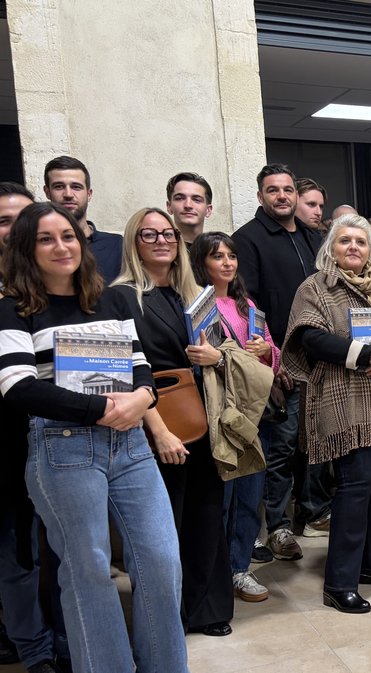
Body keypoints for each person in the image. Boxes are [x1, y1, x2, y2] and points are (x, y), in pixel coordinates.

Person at [0, 202, 188, 672]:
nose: (61, 246)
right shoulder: (12, 308)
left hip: (130, 446)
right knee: (89, 575)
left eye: (67, 235)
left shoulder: (113, 299)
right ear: (26, 248)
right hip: (63, 449)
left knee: (161, 564)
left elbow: (141, 366)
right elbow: (17, 386)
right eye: (45, 239)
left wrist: (143, 398)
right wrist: (104, 408)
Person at [281, 214, 371, 612]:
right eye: (345, 241)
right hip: (344, 400)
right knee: (356, 486)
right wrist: (369, 356)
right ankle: (340, 581)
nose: (355, 248)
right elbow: (310, 338)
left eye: (361, 242)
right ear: (331, 248)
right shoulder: (316, 287)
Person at [111, 207, 235, 637]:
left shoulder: (195, 293)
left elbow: (224, 351)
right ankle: (166, 615)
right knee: (163, 526)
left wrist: (216, 354)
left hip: (205, 413)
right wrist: (158, 430)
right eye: (150, 234)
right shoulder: (119, 297)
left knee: (205, 513)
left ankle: (208, 608)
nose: (162, 240)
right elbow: (121, 370)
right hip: (155, 419)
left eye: (168, 234)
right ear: (135, 242)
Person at [231, 163, 326, 561]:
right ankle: (276, 527)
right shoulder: (247, 239)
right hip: (279, 365)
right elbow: (248, 306)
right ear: (260, 197)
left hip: (320, 360)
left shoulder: (311, 237)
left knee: (314, 444)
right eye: (273, 191)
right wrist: (273, 361)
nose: (282, 197)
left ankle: (311, 513)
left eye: (288, 189)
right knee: (280, 448)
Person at [189, 232, 280, 602]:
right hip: (216, 409)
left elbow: (272, 354)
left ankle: (240, 567)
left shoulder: (247, 305)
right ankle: (215, 572)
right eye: (217, 256)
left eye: (231, 256)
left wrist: (264, 349)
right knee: (221, 497)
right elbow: (198, 358)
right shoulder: (196, 304)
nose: (227, 263)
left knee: (249, 494)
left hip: (252, 409)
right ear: (201, 262)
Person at [0, 186, 67, 673]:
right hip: (5, 441)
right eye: (6, 221)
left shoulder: (61, 290)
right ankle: (34, 649)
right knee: (17, 552)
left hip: (59, 435)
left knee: (61, 549)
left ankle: (66, 638)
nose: (18, 230)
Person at [42, 156, 123, 284]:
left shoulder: (117, 246)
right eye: (59, 186)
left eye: (76, 187)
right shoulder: (41, 247)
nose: (68, 194)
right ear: (47, 192)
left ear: (89, 194)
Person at [165, 172, 214, 247]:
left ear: (208, 210)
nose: (188, 205)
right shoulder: (160, 251)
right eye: (179, 198)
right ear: (169, 206)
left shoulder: (219, 253)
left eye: (196, 200)